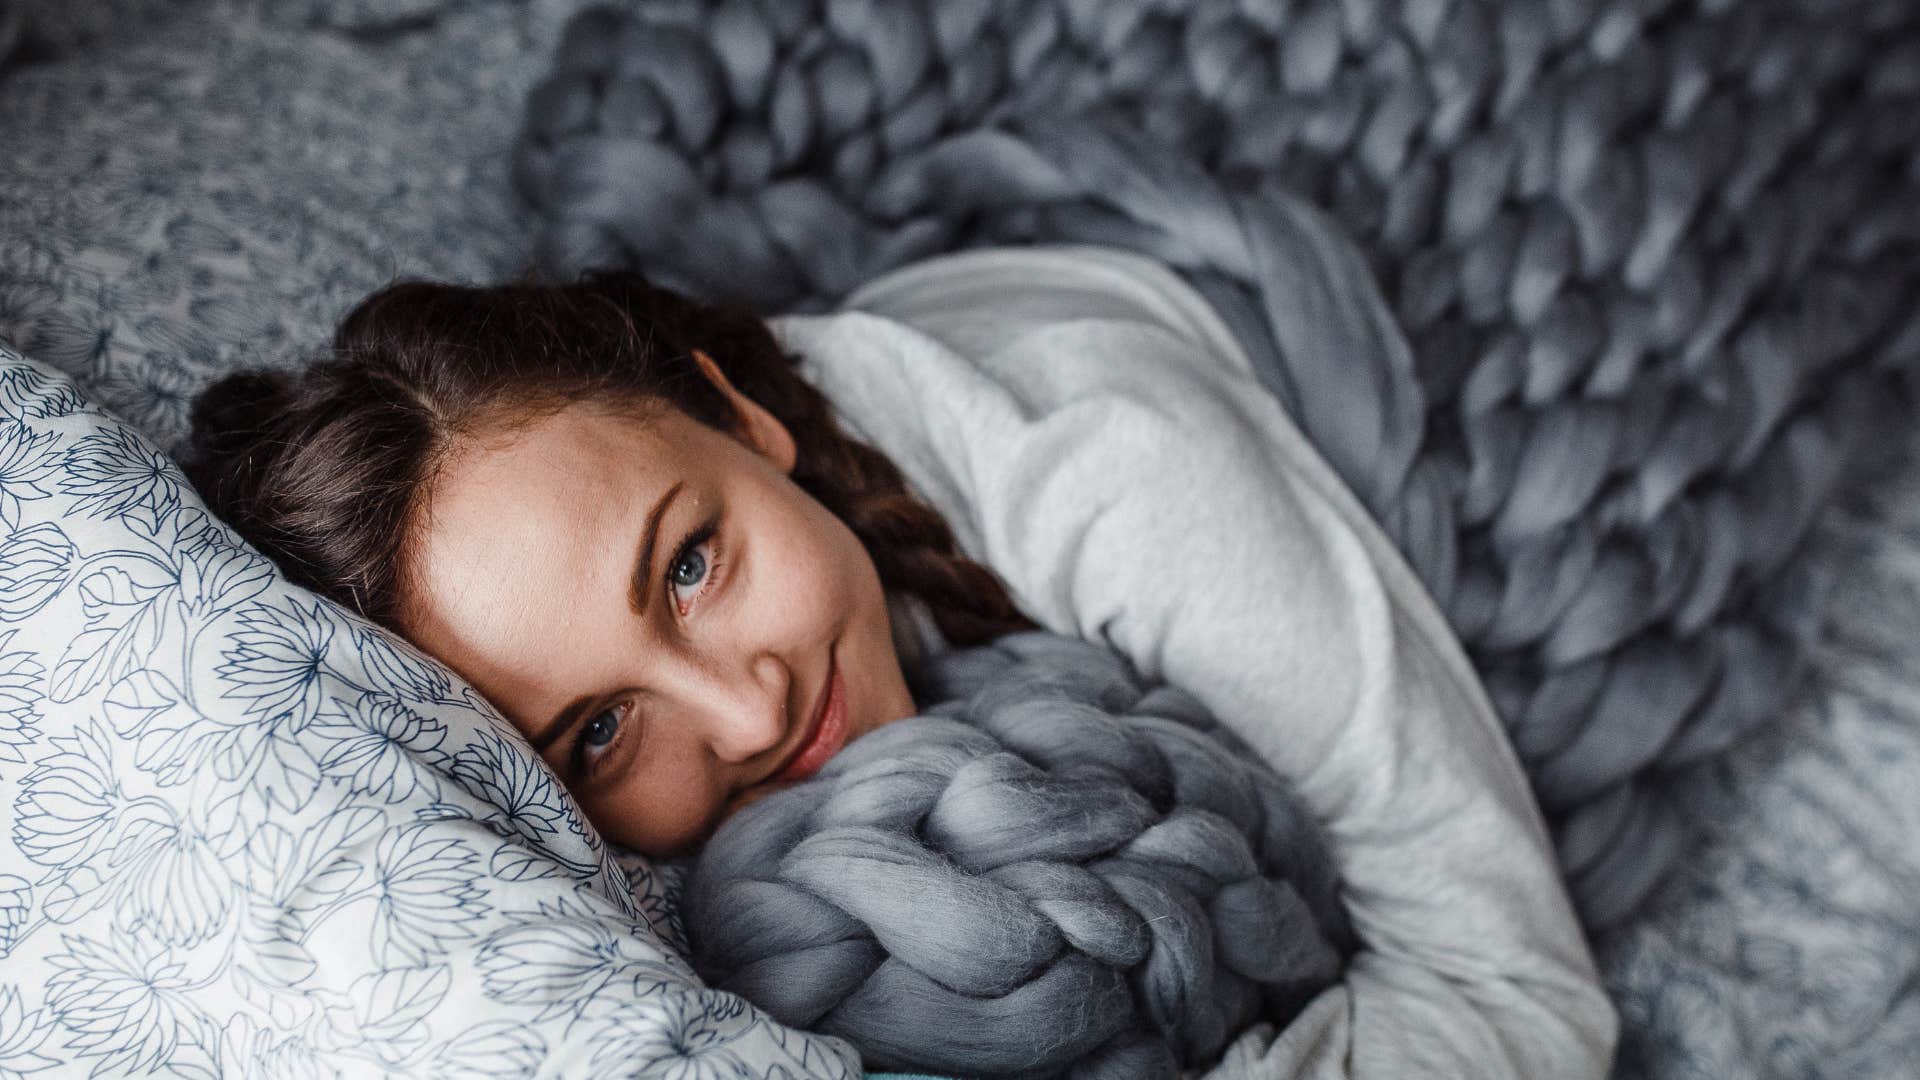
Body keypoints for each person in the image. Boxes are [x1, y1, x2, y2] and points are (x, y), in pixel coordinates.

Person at [182, 244, 1616, 1078]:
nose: (746, 712)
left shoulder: (1113, 473)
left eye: (692, 564)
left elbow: (1520, 999)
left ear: (745, 421)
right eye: (599, 735)